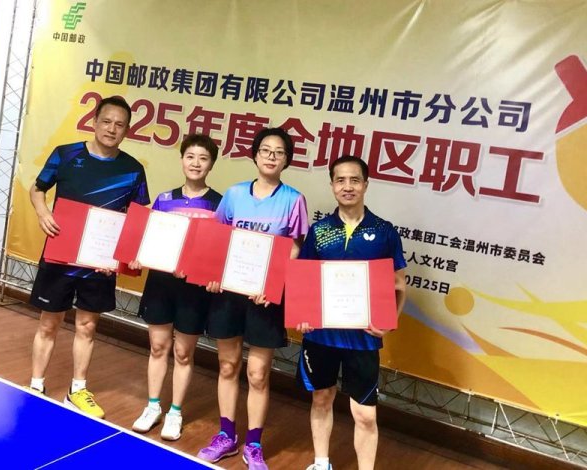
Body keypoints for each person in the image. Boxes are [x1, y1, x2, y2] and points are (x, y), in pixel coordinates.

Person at [27, 96, 150, 418]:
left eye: (120, 125)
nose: (112, 129)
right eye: (106, 121)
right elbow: (37, 189)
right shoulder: (65, 154)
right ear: (94, 122)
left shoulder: (133, 170)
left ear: (127, 131)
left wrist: (124, 256)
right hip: (60, 256)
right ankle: (36, 386)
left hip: (99, 264)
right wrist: (42, 212)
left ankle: (77, 390)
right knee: (49, 323)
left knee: (87, 326)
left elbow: (138, 219)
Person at [196, 128, 308, 469]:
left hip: (265, 299)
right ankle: (226, 435)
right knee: (228, 365)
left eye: (279, 152)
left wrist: (273, 284)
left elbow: (296, 249)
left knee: (258, 373)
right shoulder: (233, 194)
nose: (271, 156)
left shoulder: (294, 200)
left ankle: (254, 444)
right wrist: (214, 276)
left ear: (287, 159)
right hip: (229, 294)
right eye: (265, 150)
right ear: (255, 155)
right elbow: (218, 240)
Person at [296, 156, 407, 470]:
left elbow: (400, 285)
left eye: (355, 180)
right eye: (341, 180)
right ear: (332, 185)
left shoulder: (384, 231)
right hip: (322, 336)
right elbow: (304, 280)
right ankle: (321, 463)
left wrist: (389, 322)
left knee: (365, 414)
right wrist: (303, 314)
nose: (348, 187)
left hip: (363, 339)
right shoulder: (319, 231)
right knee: (321, 398)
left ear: (366, 185)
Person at [130, 134, 222, 441]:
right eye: (190, 156)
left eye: (203, 158)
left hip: (193, 290)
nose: (196, 163)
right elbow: (150, 238)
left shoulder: (220, 204)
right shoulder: (164, 199)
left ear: (211, 164)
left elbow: (218, 252)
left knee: (183, 353)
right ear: (182, 159)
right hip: (161, 284)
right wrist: (139, 255)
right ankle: (153, 406)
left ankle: (175, 412)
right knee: (158, 347)